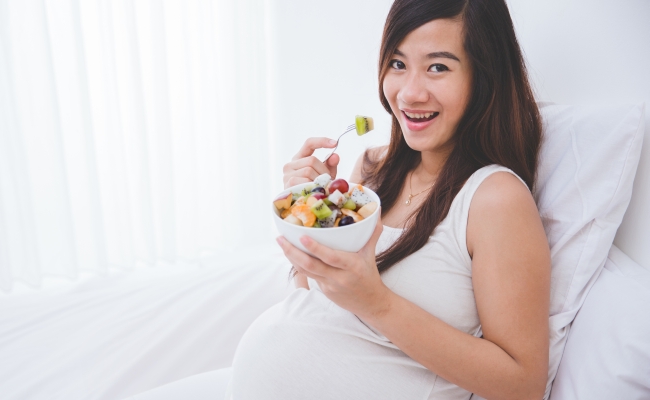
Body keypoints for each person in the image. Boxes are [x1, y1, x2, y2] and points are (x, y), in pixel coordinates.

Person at [130, 0, 550, 399]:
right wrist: (308, 218)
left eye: (438, 67)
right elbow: (315, 298)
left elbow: (522, 384)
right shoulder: (373, 171)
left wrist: (378, 304)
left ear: (485, 76)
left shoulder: (495, 199)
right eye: (398, 64)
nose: (408, 93)